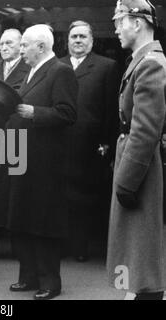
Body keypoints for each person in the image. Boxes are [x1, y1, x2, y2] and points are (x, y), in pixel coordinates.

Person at [7, 24, 78, 300]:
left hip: (47, 163)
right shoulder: (32, 71)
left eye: (25, 45)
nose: (21, 49)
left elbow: (68, 113)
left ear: (41, 46)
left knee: (44, 222)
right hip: (26, 158)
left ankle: (51, 282)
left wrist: (34, 112)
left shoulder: (61, 71)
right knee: (24, 218)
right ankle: (28, 277)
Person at [107, 0, 166, 300]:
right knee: (136, 250)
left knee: (142, 251)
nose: (116, 28)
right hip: (136, 161)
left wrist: (126, 180)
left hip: (141, 167)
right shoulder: (143, 60)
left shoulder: (151, 63)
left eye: (119, 21)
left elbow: (145, 131)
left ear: (138, 22)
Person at [60, 21, 119, 262]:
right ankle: (62, 245)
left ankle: (81, 247)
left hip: (91, 145)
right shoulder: (57, 65)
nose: (78, 41)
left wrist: (107, 144)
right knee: (60, 197)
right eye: (74, 36)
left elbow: (111, 110)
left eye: (83, 36)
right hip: (60, 144)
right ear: (67, 41)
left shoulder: (107, 67)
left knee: (85, 198)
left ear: (92, 41)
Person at [0, 28, 30, 260]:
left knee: (11, 189)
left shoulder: (28, 68)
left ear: (21, 46)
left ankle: (17, 247)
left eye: (9, 43)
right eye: (1, 43)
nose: (3, 47)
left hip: (15, 135)